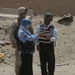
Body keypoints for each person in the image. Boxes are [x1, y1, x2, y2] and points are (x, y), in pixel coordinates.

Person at [9, 6, 28, 75]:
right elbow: (11, 33)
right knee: (19, 60)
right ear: (21, 14)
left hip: (25, 43)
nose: (26, 14)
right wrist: (13, 41)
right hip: (18, 43)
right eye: (25, 13)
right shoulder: (16, 23)